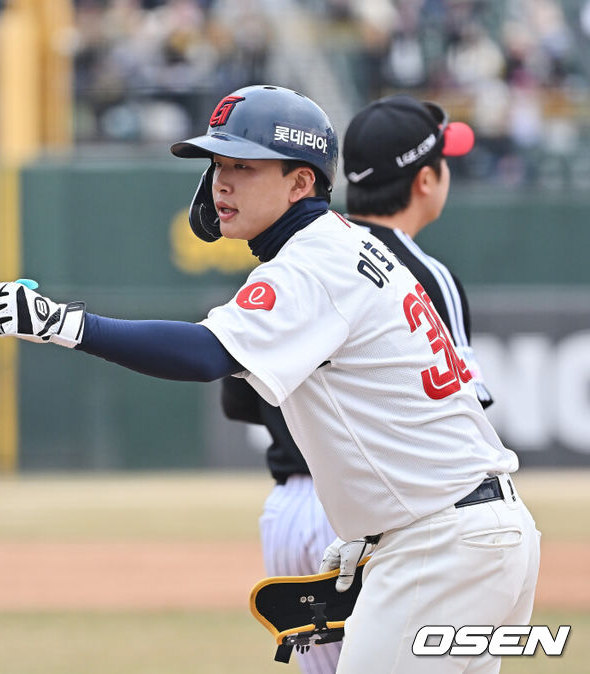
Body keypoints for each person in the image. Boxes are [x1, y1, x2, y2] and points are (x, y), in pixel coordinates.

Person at [0, 84, 540, 673]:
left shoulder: (313, 263)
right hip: (469, 534)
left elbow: (206, 355)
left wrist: (66, 324)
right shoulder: (342, 246)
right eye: (219, 165)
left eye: (244, 167)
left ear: (301, 183)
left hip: (441, 545)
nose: (221, 183)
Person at [218, 91, 498, 674]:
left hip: (289, 506)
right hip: (376, 514)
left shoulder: (297, 253)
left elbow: (239, 397)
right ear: (427, 179)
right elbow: (460, 413)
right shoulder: (417, 273)